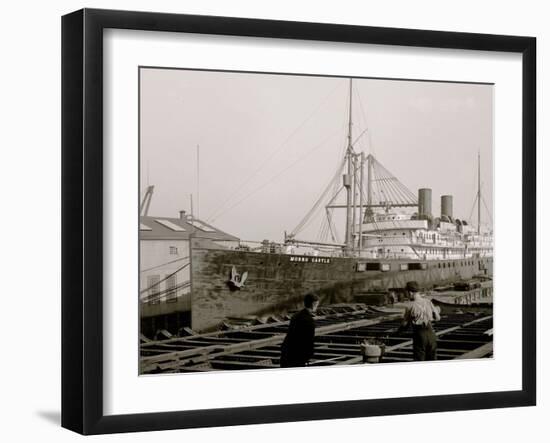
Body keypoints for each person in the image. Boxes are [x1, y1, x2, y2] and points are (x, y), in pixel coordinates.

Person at [398, 281, 441, 361]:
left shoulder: (410, 306)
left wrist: (398, 332)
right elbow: (438, 318)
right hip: (431, 334)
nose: (406, 295)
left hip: (420, 335)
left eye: (406, 292)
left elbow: (405, 324)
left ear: (410, 292)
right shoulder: (428, 302)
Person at [280, 293, 320, 368]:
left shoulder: (295, 315)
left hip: (286, 353)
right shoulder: (309, 320)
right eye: (317, 304)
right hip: (297, 356)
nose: (317, 307)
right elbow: (309, 341)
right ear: (313, 304)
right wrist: (309, 356)